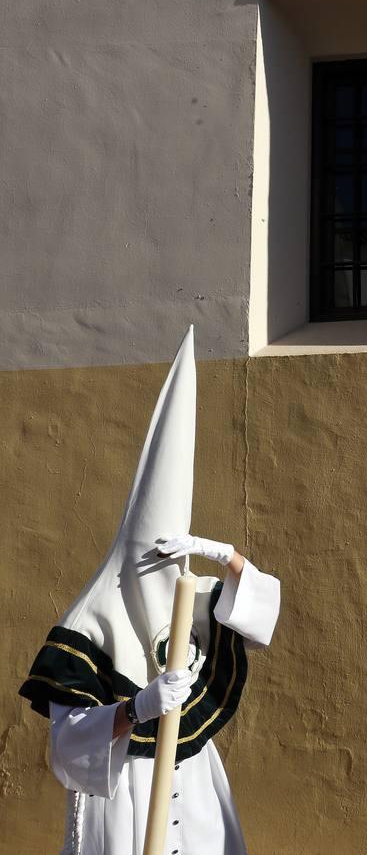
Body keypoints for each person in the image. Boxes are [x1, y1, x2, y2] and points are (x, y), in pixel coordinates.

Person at [19, 328, 280, 855]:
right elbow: (66, 749)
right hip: (125, 796)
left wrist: (224, 555)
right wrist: (135, 709)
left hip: (197, 785)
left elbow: (261, 622)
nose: (164, 576)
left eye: (174, 562)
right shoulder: (89, 624)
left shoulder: (191, 596)